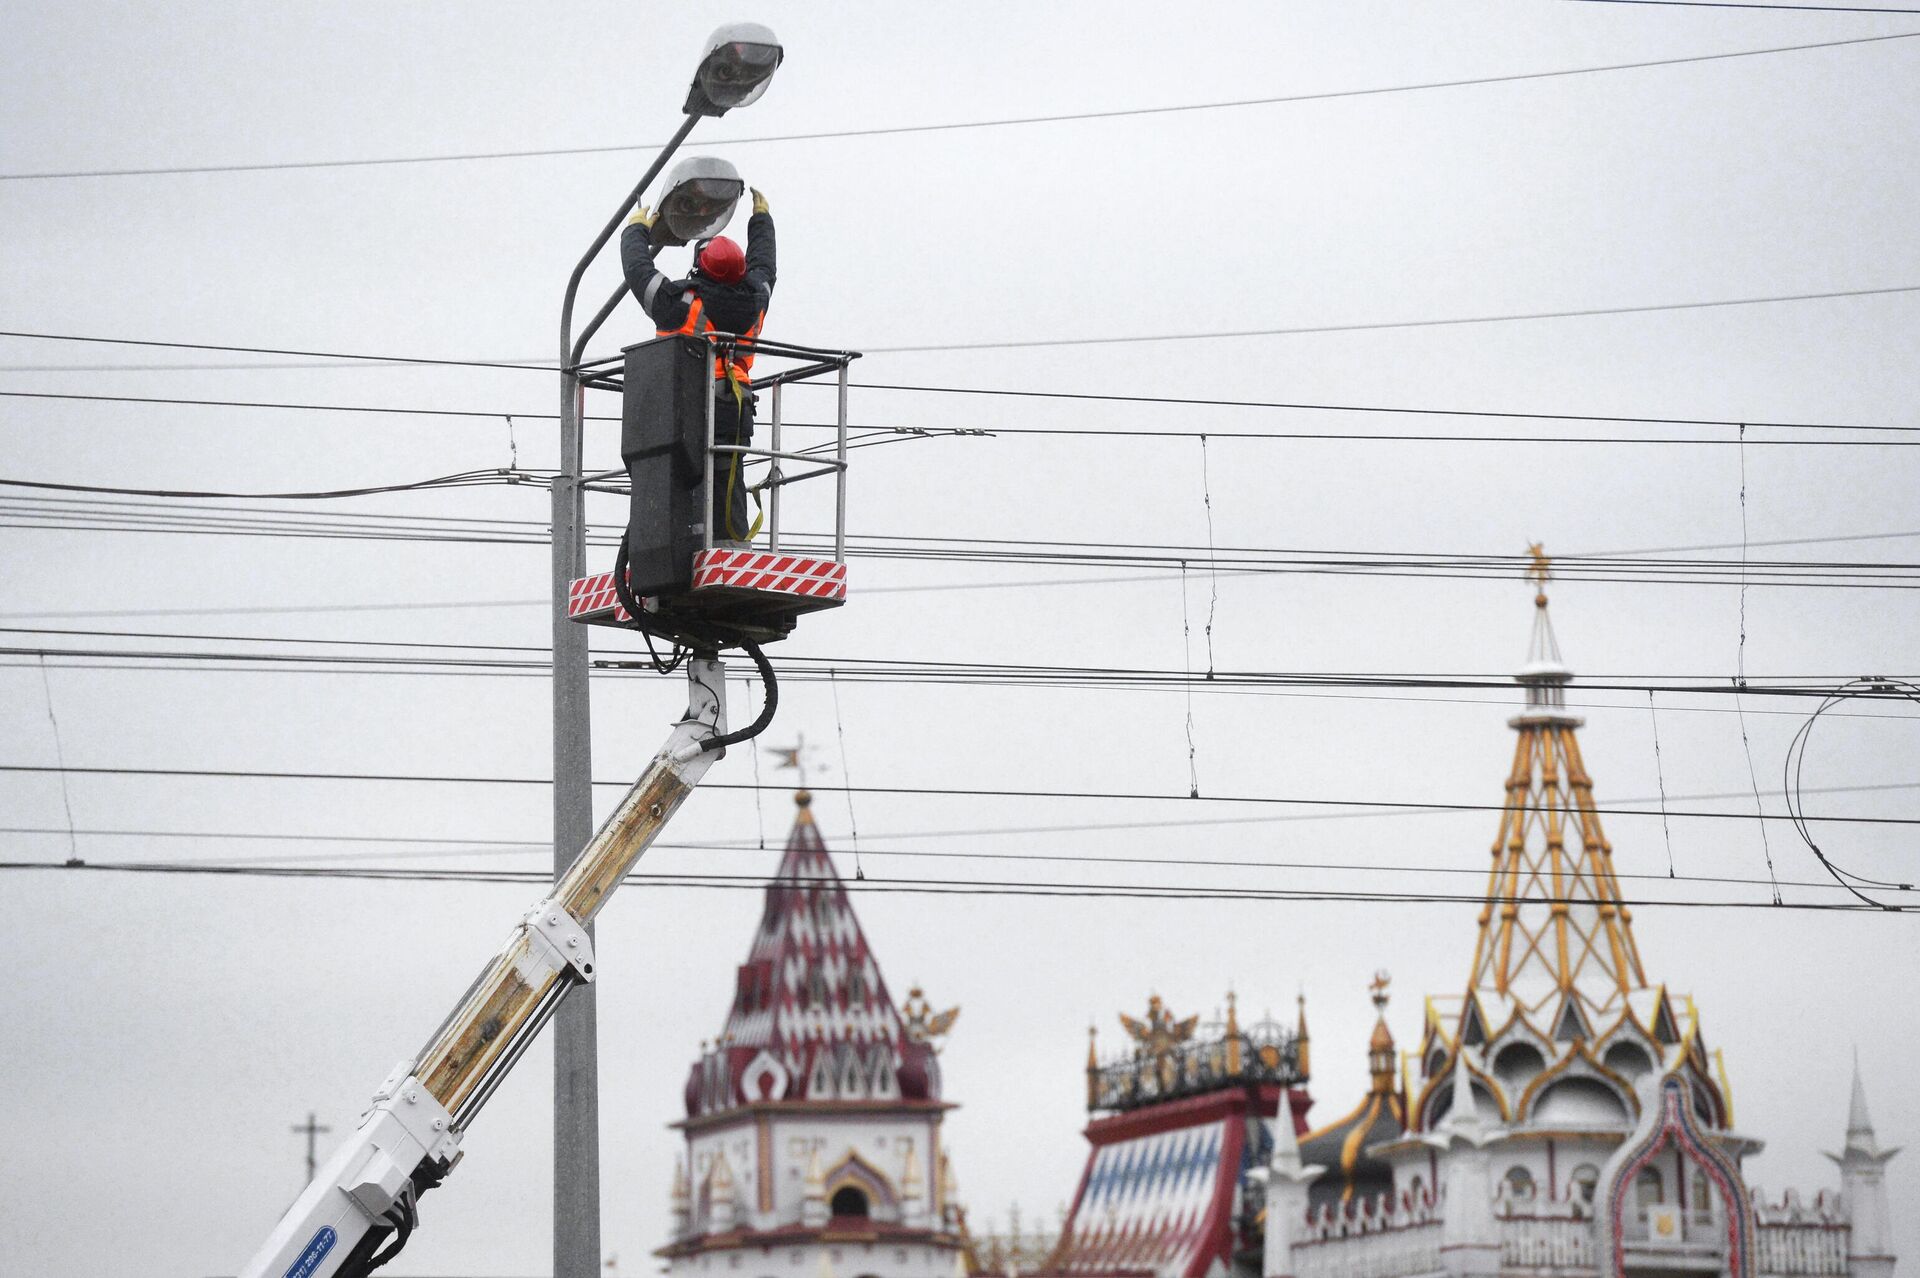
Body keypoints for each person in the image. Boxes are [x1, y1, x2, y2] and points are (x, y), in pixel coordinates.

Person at [622, 187, 776, 546]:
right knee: (728, 473)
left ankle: (681, 542)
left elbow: (638, 271)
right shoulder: (755, 298)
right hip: (737, 408)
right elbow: (765, 265)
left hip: (690, 406)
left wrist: (636, 229)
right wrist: (761, 219)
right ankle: (731, 541)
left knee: (681, 476)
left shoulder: (682, 303)